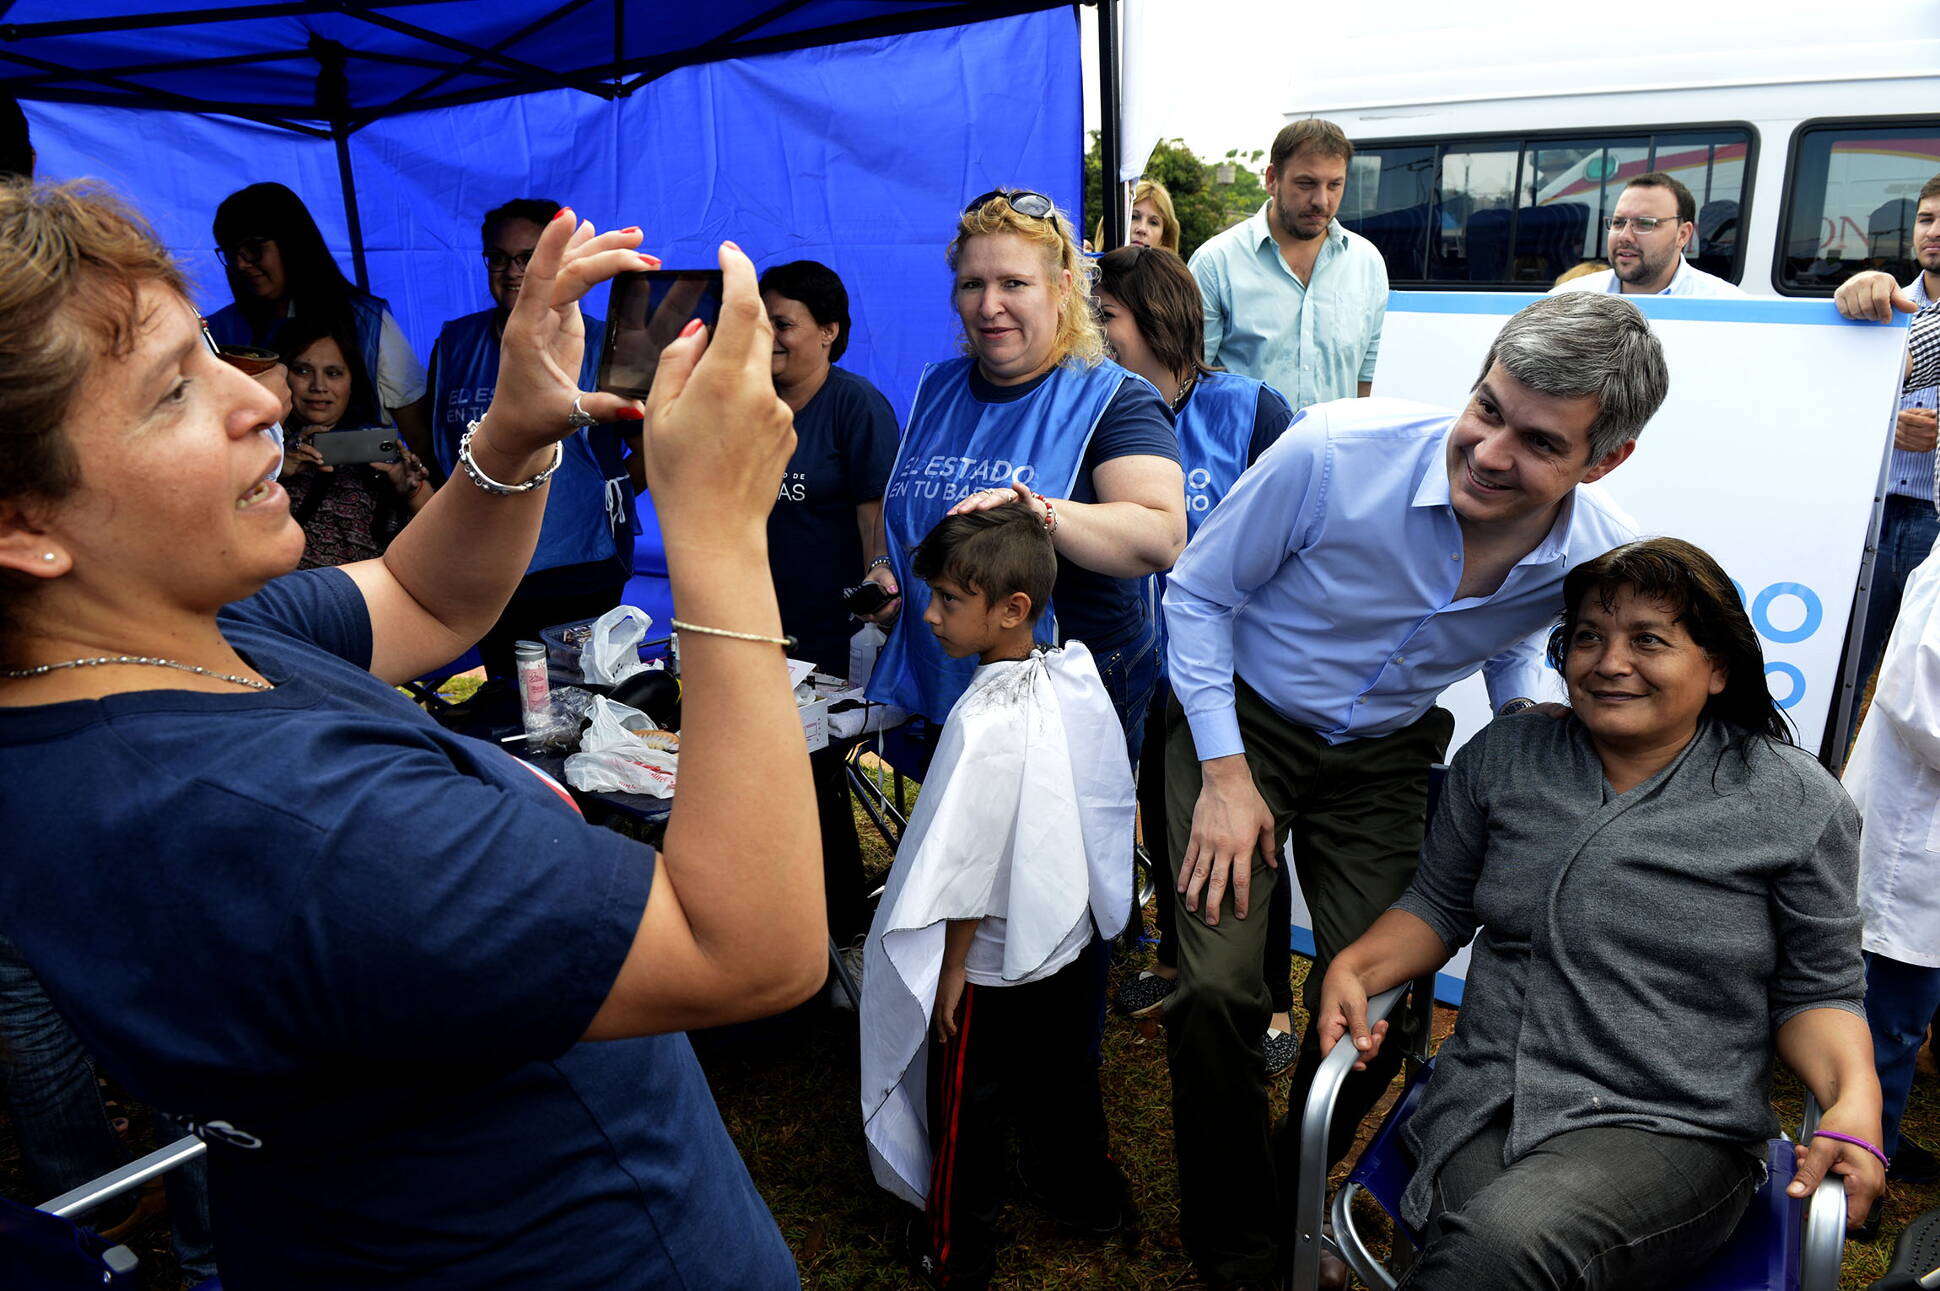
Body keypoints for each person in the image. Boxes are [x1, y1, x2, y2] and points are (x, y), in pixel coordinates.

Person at [0, 180, 820, 1288]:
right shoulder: (279, 819)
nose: (259, 402)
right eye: (169, 394)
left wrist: (521, 420)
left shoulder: (137, 650)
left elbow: (425, 597)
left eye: (209, 352)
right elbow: (750, 947)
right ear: (24, 524)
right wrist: (719, 531)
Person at [1161, 291, 1658, 1289]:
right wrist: (1221, 773)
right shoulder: (1334, 452)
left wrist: (1521, 712)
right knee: (1215, 990)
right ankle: (1237, 1250)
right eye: (1486, 408)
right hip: (1235, 721)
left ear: (1601, 461)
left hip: (1386, 755)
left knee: (1377, 1009)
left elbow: (1524, 631)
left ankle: (1281, 1197)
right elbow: (1196, 594)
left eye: (1537, 443)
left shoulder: (1600, 550)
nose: (1487, 451)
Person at [1317, 537, 1885, 1288]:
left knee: (1497, 1242)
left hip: (1675, 1125)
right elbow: (1439, 902)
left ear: (1717, 666)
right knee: (1493, 1241)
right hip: (1493, 1095)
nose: (1609, 661)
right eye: (1589, 636)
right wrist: (1356, 964)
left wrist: (1856, 1096)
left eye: (1648, 639)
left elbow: (1819, 990)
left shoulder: (1792, 800)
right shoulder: (1510, 755)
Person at [859, 501, 1134, 1290]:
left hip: (988, 955)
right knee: (1059, 1076)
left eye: (949, 599)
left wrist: (949, 968)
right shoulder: (1070, 675)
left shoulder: (987, 718)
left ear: (1013, 609)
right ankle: (1089, 1199)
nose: (931, 614)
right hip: (1063, 936)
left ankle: (956, 1248)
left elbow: (970, 862)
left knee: (967, 1107)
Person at [860, 187, 1186, 768]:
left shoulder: (1115, 399)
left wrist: (1043, 513)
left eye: (1014, 283)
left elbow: (1160, 535)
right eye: (972, 284)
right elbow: (909, 509)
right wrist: (888, 574)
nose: (989, 306)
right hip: (949, 684)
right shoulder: (937, 388)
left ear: (1062, 288)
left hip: (1062, 699)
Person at [1091, 244, 1299, 1072]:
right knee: (1165, 824)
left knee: (1246, 836)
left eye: (1107, 316)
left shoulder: (1249, 409)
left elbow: (1297, 545)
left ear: (1159, 319)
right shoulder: (1101, 410)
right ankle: (1173, 962)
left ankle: (1275, 1000)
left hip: (1237, 682)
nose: (1095, 332)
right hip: (1141, 670)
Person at [426, 197, 641, 681]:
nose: (511, 270)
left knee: (586, 698)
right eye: (498, 258)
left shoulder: (606, 344)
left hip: (580, 562)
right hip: (485, 561)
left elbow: (649, 448)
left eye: (527, 257)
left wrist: (603, 494)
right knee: (507, 691)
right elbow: (438, 442)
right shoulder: (456, 343)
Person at [757, 257, 899, 987]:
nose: (767, 337)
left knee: (811, 777)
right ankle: (782, 922)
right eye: (761, 322)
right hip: (759, 633)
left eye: (781, 323)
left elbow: (879, 526)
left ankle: (841, 933)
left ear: (829, 331)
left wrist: (869, 629)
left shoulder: (854, 407)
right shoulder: (751, 406)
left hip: (834, 643)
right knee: (766, 780)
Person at [207, 181, 433, 466]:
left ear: (292, 244)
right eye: (230, 251)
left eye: (252, 248)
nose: (241, 264)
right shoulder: (216, 333)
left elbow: (420, 440)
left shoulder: (368, 323)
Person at [1845, 536, 1940, 1202]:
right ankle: (1854, 1167)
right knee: (1894, 1010)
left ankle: (1879, 1129)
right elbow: (1917, 699)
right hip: (1917, 831)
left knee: (1906, 1005)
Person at [1188, 119, 1386, 412]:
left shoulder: (1367, 264)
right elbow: (1189, 379)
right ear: (1271, 179)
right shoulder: (1215, 264)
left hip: (1335, 455)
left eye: (1335, 185)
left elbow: (1367, 379)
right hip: (1246, 456)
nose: (1322, 200)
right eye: (1306, 183)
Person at [1845, 176, 1939, 716]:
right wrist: (1885, 420)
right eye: (1926, 219)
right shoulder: (1880, 304)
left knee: (1918, 685)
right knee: (1850, 662)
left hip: (1934, 519)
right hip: (1877, 511)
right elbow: (1840, 397)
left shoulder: (1897, 318)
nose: (1935, 232)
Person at [278, 319, 432, 568]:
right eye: (303, 371)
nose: (318, 386)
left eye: (333, 373)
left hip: (361, 599)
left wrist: (413, 491)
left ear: (352, 382)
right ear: (284, 376)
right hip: (284, 600)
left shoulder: (380, 451)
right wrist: (274, 470)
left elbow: (436, 545)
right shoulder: (263, 447)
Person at [1547, 172, 1746, 298]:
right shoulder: (1567, 301)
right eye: (1617, 222)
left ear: (1683, 235)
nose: (1624, 236)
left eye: (1644, 224)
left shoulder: (1726, 306)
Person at [1092, 177, 1182, 254]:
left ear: (1164, 238)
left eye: (1153, 222)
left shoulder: (1174, 274)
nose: (1142, 229)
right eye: (1133, 217)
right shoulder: (1088, 272)